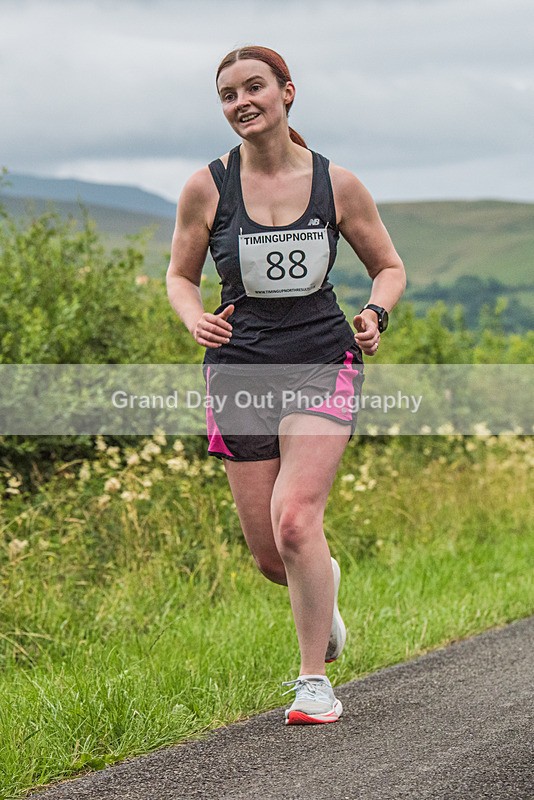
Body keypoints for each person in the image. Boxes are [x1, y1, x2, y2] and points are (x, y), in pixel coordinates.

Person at [166, 45, 406, 725]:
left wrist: (375, 313)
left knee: (297, 521)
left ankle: (313, 683)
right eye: (228, 94)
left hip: (321, 359)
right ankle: (322, 590)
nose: (241, 102)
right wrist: (193, 318)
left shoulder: (338, 184)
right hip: (239, 368)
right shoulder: (207, 187)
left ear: (286, 93)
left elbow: (389, 267)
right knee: (274, 557)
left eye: (254, 87)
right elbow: (180, 276)